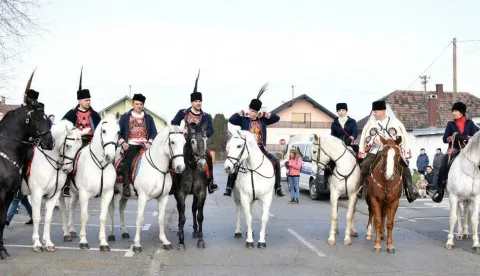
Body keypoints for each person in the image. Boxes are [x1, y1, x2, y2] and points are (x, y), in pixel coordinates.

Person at [224, 84, 286, 197]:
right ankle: (229, 186)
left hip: (260, 148)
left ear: (258, 112)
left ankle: (278, 187)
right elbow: (232, 120)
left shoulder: (263, 120)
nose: (253, 113)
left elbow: (277, 118)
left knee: (276, 162)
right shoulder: (243, 119)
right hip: (246, 148)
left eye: (255, 112)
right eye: (252, 111)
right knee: (236, 164)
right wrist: (241, 113)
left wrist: (265, 114)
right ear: (249, 109)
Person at [358, 100, 418, 203]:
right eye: (373, 111)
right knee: (364, 165)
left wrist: (389, 142)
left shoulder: (395, 122)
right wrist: (375, 141)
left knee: (405, 167)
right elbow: (367, 137)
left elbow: (401, 136)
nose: (374, 113)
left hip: (392, 150)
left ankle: (410, 190)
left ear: (383, 111)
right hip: (376, 150)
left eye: (376, 111)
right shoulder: (371, 123)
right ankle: (363, 188)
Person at [170, 71, 218, 194]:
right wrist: (182, 130)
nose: (198, 103)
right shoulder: (183, 113)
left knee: (208, 157)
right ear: (192, 102)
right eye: (196, 101)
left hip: (199, 144)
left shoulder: (206, 116)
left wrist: (204, 135)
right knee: (174, 157)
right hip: (185, 143)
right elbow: (174, 123)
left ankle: (211, 182)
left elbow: (211, 130)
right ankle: (171, 184)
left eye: (200, 101)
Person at [61, 67, 102, 197]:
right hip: (77, 141)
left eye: (89, 100)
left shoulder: (94, 114)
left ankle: (102, 183)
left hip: (92, 141)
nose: (88, 102)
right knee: (70, 158)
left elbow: (100, 128)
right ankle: (67, 185)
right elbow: (64, 126)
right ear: (79, 101)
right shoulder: (72, 113)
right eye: (86, 100)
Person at [431, 102, 478, 203]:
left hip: (468, 151)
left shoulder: (470, 124)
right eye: (453, 111)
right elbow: (444, 139)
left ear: (462, 112)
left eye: (456, 111)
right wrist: (452, 138)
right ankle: (440, 191)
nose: (453, 113)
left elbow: (475, 137)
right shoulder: (450, 124)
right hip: (454, 150)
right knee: (443, 167)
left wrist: (465, 137)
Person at [117, 93, 157, 197]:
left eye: (141, 104)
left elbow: (154, 132)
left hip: (145, 146)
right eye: (137, 104)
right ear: (133, 104)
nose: (139, 106)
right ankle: (126, 187)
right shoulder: (125, 117)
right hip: (130, 145)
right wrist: (123, 143)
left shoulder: (148, 118)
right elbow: (118, 132)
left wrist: (149, 143)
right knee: (127, 164)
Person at [323, 102, 359, 189]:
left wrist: (351, 138)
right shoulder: (334, 124)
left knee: (360, 161)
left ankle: (360, 183)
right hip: (338, 147)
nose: (341, 112)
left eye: (343, 110)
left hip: (350, 144)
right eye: (339, 110)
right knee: (328, 163)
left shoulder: (352, 121)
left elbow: (355, 132)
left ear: (346, 111)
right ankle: (325, 181)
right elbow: (332, 136)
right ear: (337, 112)